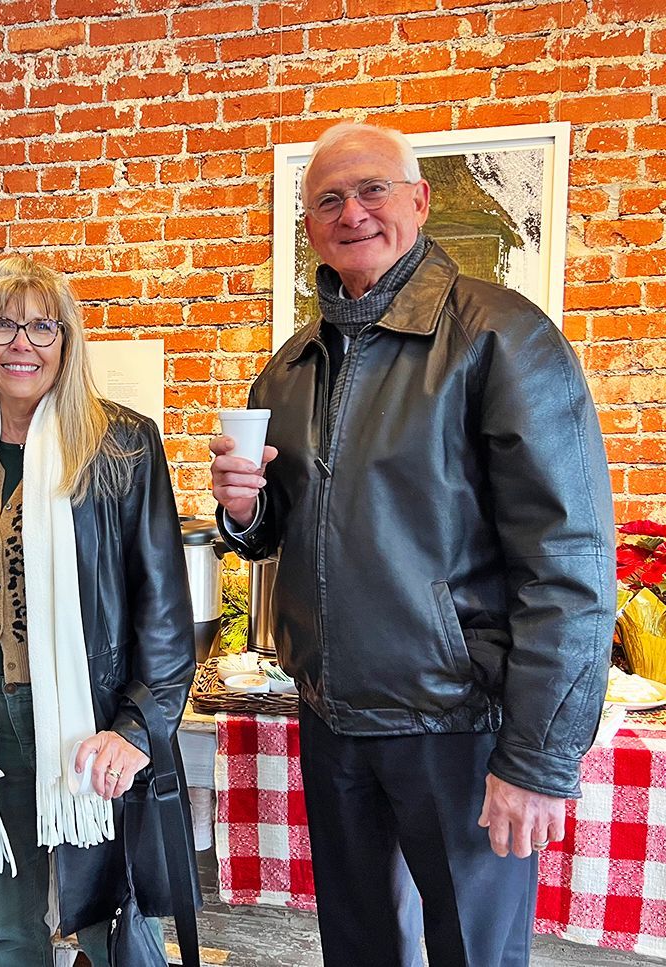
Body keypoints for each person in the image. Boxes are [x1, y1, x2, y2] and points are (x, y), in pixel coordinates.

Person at [210, 122, 615, 967]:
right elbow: (281, 530)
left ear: (420, 201)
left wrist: (539, 758)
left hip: (458, 724)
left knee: (473, 952)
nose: (351, 212)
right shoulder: (287, 370)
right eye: (328, 199)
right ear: (309, 225)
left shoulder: (503, 337)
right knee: (357, 950)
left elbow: (569, 564)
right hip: (332, 717)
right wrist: (243, 514)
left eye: (372, 190)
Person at [0, 255, 197, 965]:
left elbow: (162, 607)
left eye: (43, 325)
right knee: (6, 928)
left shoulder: (120, 443)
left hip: (87, 722)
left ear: (66, 342)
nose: (22, 343)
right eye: (2, 323)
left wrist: (136, 727)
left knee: (112, 928)